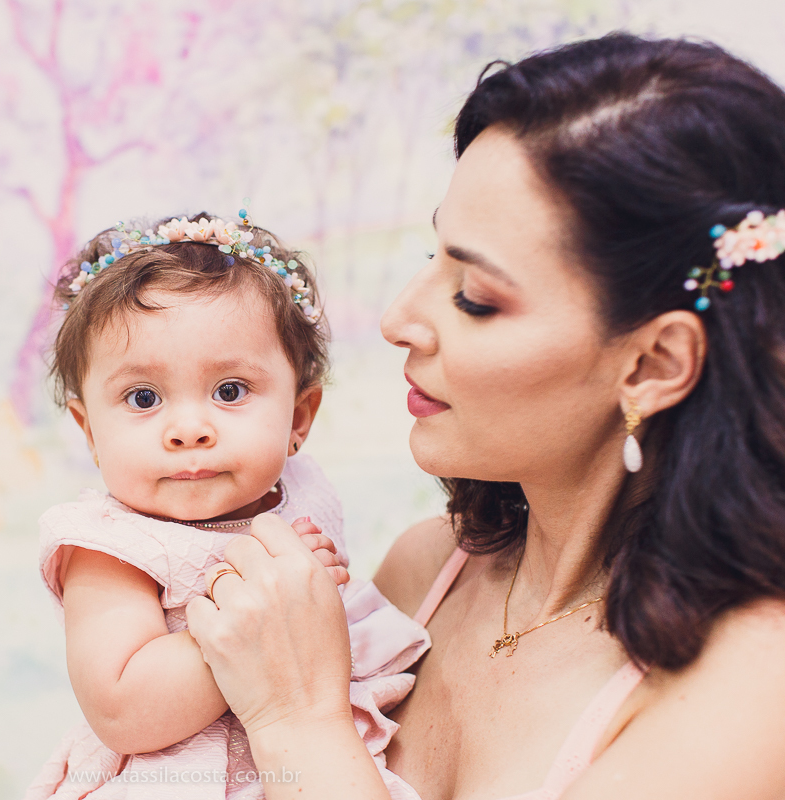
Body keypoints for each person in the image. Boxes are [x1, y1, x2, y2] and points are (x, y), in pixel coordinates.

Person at [185, 33, 785, 800]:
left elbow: (301, 744)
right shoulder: (428, 569)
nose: (401, 318)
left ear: (654, 363)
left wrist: (297, 719)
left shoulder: (753, 685)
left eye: (476, 297)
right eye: (432, 255)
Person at [24, 213, 431, 799]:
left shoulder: (304, 492)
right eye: (143, 398)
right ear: (90, 432)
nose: (189, 429)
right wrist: (253, 619)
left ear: (298, 418)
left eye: (230, 391)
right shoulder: (112, 547)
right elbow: (122, 710)